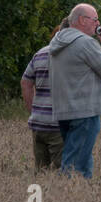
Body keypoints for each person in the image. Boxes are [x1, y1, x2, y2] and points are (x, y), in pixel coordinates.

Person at [49, 3, 101, 179]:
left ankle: (83, 200)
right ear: (81, 20)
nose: (98, 24)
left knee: (83, 162)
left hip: (64, 111)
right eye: (95, 20)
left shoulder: (57, 41)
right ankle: (64, 200)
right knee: (74, 166)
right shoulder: (86, 43)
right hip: (85, 112)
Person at [20, 19, 68, 170]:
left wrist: (33, 110)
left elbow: (25, 82)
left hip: (38, 124)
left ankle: (39, 194)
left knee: (41, 173)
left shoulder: (39, 53)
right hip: (58, 126)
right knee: (64, 175)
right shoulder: (70, 55)